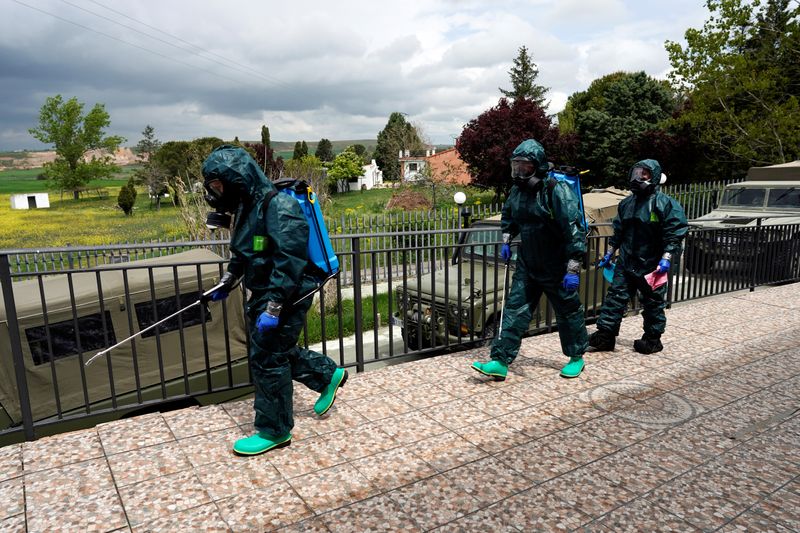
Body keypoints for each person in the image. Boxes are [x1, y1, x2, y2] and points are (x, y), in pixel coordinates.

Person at [201, 145, 347, 456]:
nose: (216, 192)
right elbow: (243, 253)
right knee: (273, 349)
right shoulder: (245, 208)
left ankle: (275, 430)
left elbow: (289, 261)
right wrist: (228, 280)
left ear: (236, 178)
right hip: (264, 291)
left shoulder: (279, 206)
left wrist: (275, 306)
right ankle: (326, 374)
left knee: (267, 358)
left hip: (289, 292)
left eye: (218, 185)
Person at [472, 139, 589, 380]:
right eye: (516, 166)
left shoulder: (556, 189)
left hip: (556, 264)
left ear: (538, 166)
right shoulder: (517, 191)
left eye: (524, 167)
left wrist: (573, 267)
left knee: (568, 312)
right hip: (528, 262)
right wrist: (506, 239)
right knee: (515, 309)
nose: (519, 172)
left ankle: (577, 356)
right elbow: (509, 215)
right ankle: (500, 360)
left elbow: (573, 228)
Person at [588, 159, 688, 354]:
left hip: (652, 264)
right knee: (615, 299)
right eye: (636, 174)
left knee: (652, 303)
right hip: (626, 262)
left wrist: (666, 257)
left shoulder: (665, 204)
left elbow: (675, 232)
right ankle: (605, 336)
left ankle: (652, 339)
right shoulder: (626, 204)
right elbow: (619, 232)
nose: (638, 178)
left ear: (655, 177)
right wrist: (609, 253)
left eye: (644, 175)